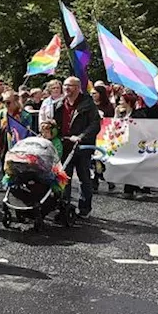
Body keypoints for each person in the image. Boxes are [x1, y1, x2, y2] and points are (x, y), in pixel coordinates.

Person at [54, 76, 100, 216]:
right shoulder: (59, 104)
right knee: (64, 178)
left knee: (84, 178)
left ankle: (85, 208)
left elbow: (95, 124)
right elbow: (56, 124)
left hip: (82, 147)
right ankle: (64, 207)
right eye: (65, 85)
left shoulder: (88, 104)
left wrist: (81, 137)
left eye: (70, 85)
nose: (67, 88)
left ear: (78, 87)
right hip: (64, 146)